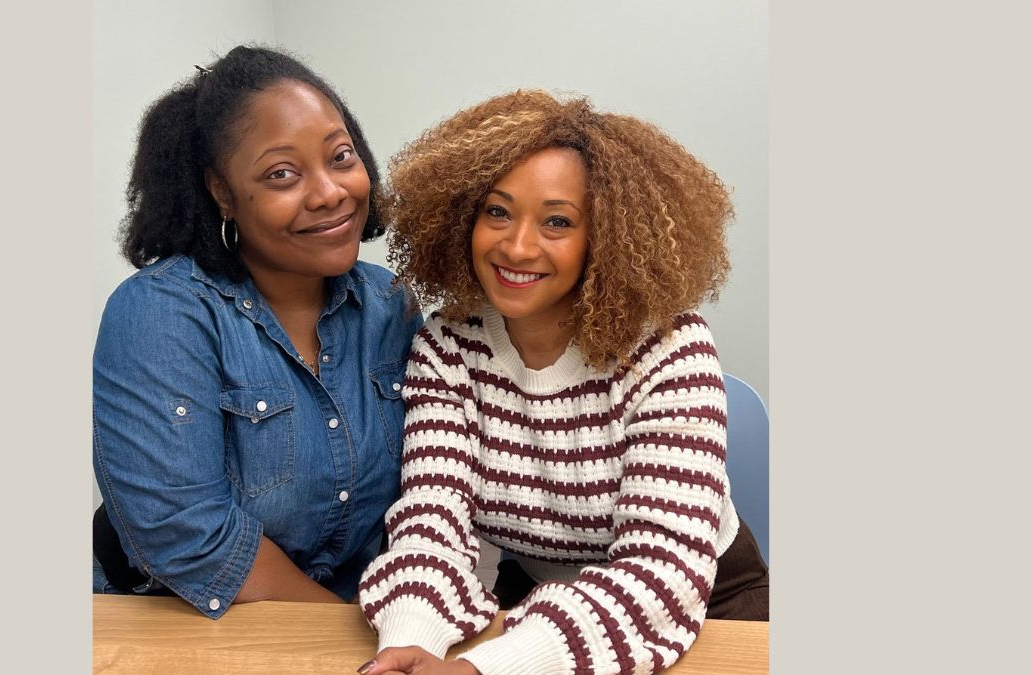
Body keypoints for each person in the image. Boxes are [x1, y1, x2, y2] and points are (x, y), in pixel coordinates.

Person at [356, 90, 768, 674]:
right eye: (497, 211)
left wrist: (486, 669)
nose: (517, 246)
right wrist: (410, 637)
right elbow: (433, 514)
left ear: (607, 238)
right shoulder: (447, 346)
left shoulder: (668, 349)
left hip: (701, 604)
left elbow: (661, 571)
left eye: (558, 222)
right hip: (542, 611)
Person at [91, 46, 422, 618]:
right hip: (183, 629)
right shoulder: (161, 314)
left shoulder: (389, 304)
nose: (330, 193)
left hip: (364, 623)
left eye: (340, 157)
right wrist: (343, 636)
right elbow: (190, 538)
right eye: (282, 174)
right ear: (222, 191)